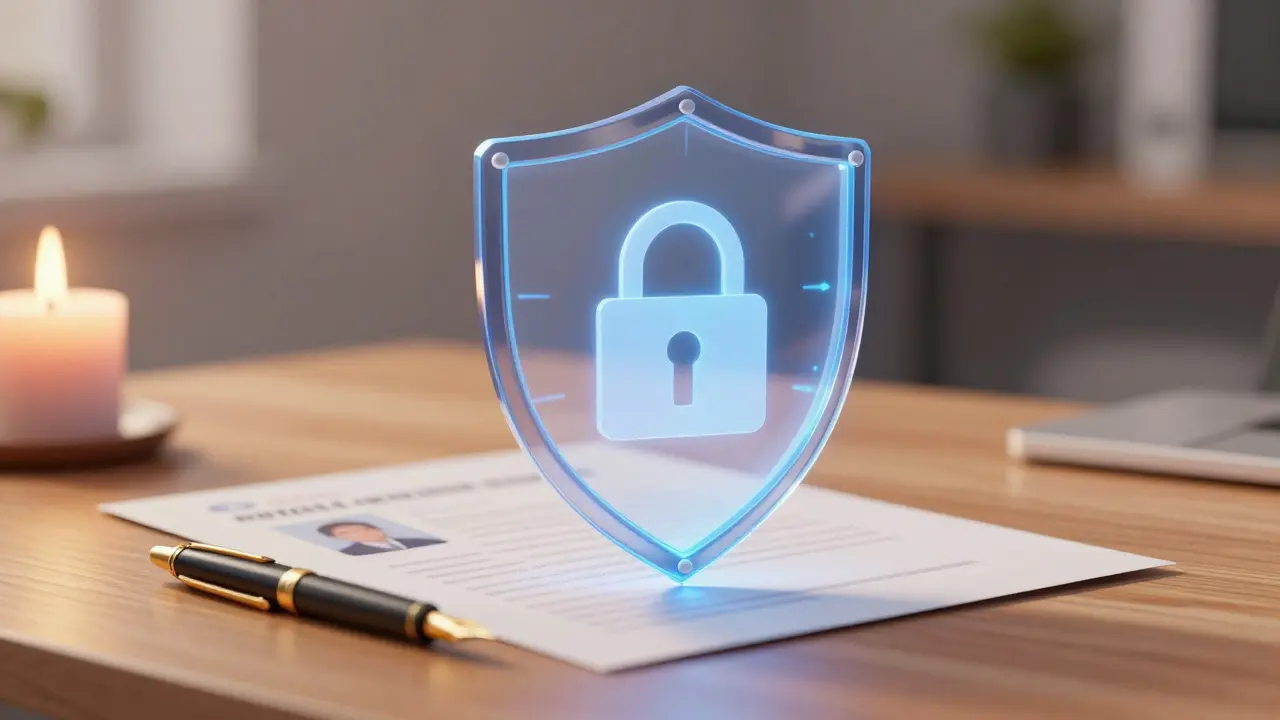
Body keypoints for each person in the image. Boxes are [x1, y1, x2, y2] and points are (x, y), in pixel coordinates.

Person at [316, 520, 443, 556]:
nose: (357, 533)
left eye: (359, 529)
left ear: (375, 528)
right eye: (346, 533)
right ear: (337, 538)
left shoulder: (426, 542)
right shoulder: (349, 555)